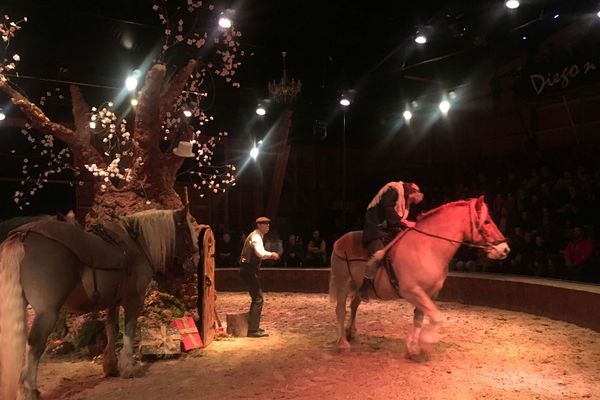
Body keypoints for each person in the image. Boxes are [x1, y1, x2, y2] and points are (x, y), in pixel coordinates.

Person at [359, 181, 424, 302]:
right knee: (379, 254)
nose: (411, 204)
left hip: (387, 230)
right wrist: (405, 223)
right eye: (413, 199)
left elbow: (395, 220)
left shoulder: (403, 202)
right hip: (375, 229)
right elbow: (389, 212)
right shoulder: (393, 191)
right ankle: (365, 286)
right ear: (411, 193)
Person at [238, 217, 280, 337]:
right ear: (259, 225)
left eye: (268, 224)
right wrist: (271, 254)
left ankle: (253, 327)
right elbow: (260, 253)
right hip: (248, 270)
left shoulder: (257, 236)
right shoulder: (256, 236)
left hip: (248, 270)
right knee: (258, 298)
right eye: (265, 224)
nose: (268, 226)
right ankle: (252, 330)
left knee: (256, 297)